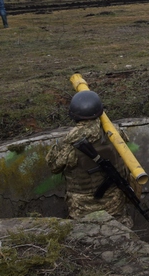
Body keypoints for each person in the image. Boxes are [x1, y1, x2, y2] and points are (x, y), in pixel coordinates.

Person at [46, 91, 138, 227]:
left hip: (82, 210)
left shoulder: (69, 142)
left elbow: (53, 166)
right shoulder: (114, 132)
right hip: (115, 205)